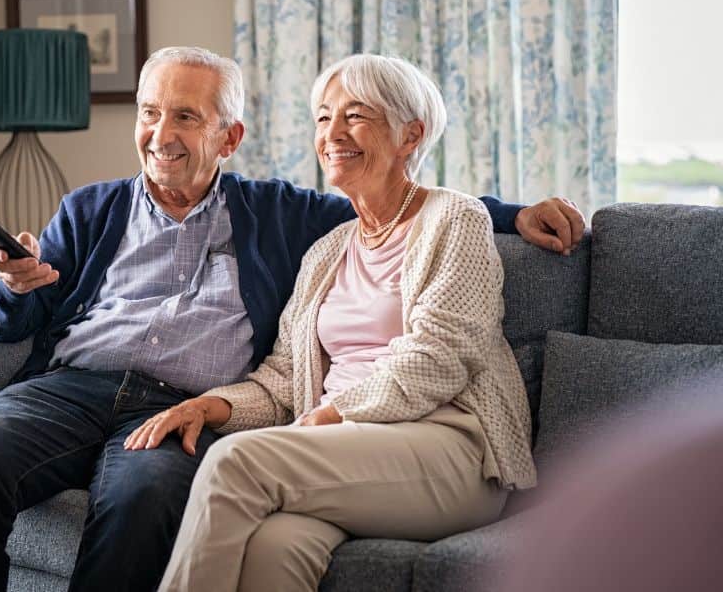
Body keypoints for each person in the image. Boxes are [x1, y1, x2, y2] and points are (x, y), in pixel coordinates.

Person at [0, 47, 580, 592]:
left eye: (185, 116)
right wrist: (11, 285)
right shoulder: (92, 210)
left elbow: (416, 208)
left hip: (199, 402)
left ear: (229, 137)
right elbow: (3, 322)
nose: (161, 134)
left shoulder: (288, 215)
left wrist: (515, 215)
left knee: (150, 496)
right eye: (151, 113)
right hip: (74, 387)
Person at [136, 54, 537, 592]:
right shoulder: (327, 251)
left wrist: (332, 414)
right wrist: (209, 406)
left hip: (449, 451)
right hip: (345, 451)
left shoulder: (455, 219)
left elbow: (440, 358)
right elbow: (283, 379)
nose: (333, 133)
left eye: (356, 115)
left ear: (409, 135)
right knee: (274, 548)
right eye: (324, 118)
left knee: (236, 463)